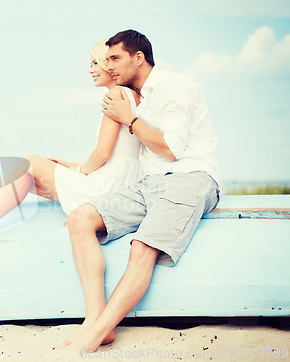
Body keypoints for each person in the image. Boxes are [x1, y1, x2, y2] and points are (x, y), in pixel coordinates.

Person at [57, 30, 220, 352]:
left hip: (191, 177)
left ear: (138, 57)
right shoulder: (131, 94)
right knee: (80, 219)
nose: (109, 65)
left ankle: (93, 336)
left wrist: (129, 119)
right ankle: (95, 322)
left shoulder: (176, 87)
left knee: (142, 247)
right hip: (149, 183)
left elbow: (171, 149)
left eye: (115, 58)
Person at [0, 39, 142, 244]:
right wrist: (73, 165)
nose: (91, 70)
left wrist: (78, 170)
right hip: (122, 182)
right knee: (28, 180)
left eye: (96, 63)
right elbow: (118, 151)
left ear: (108, 64)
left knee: (28, 162)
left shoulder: (115, 94)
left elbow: (104, 153)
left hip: (107, 186)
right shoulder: (134, 96)